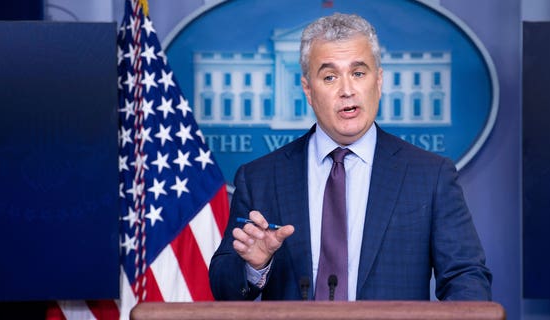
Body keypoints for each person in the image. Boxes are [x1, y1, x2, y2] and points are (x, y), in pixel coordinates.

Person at [209, 12, 492, 301]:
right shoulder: (260, 178)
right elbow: (224, 288)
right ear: (308, 89)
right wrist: (254, 266)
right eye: (330, 77)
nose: (347, 90)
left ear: (378, 81)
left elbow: (465, 277)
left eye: (358, 73)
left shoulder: (430, 175)